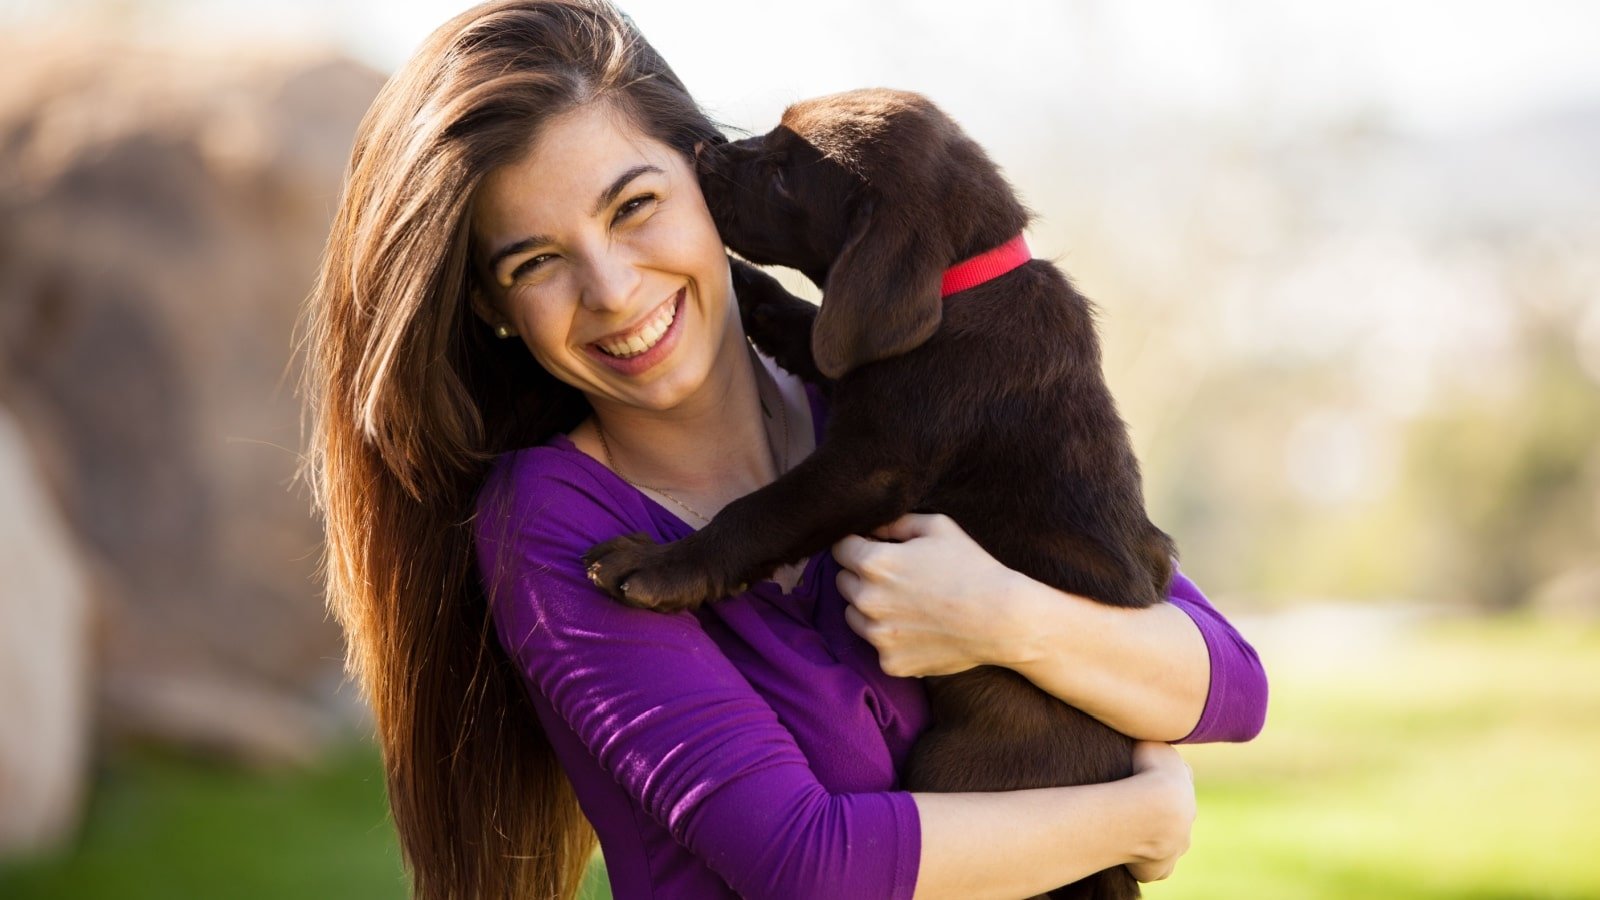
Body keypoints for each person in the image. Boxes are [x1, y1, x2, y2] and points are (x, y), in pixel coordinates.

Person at [299, 1, 1268, 898]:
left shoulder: (895, 395)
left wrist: (999, 619)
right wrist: (1134, 816)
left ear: (701, 171)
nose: (612, 289)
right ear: (492, 308)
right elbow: (803, 862)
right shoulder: (556, 522)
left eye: (633, 206)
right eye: (536, 261)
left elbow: (1226, 683)